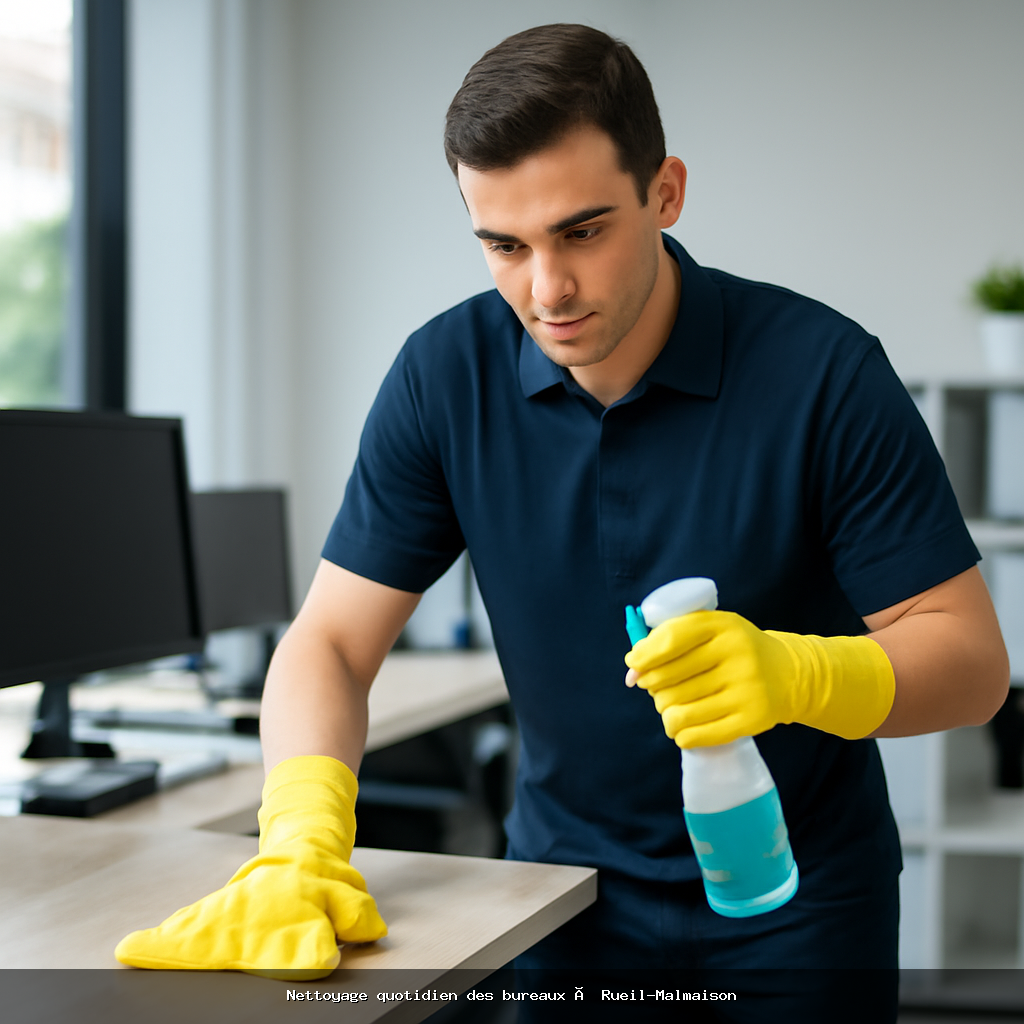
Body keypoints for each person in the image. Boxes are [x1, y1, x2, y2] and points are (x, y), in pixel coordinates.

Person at [115, 22, 1009, 1021]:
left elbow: (971, 664)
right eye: (504, 244)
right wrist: (299, 837)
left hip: (796, 904)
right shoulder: (441, 378)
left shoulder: (824, 374)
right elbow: (327, 641)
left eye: (582, 231)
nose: (546, 291)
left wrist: (797, 673)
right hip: (557, 900)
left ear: (664, 193)